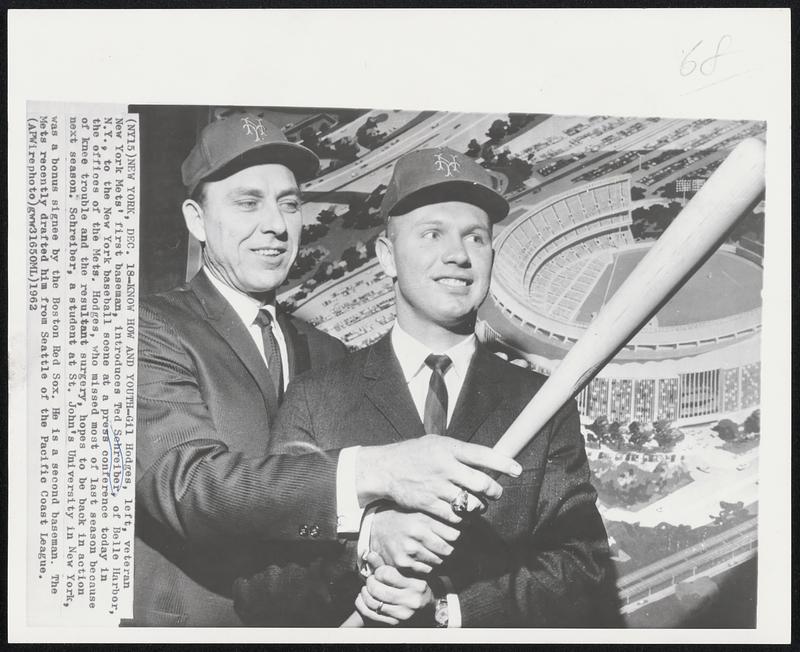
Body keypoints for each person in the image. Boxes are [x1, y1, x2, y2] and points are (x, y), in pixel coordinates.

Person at [133, 116, 523, 627]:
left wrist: (374, 532)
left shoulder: (328, 353)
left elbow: (336, 525)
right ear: (196, 220)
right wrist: (372, 470)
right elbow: (187, 489)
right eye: (248, 202)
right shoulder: (148, 329)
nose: (276, 224)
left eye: (289, 203)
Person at [236, 147, 620, 627]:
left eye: (475, 238)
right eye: (432, 234)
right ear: (386, 256)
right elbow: (262, 586)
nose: (457, 255)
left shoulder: (540, 402)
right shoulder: (317, 398)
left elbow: (582, 569)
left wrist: (448, 609)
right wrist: (365, 554)